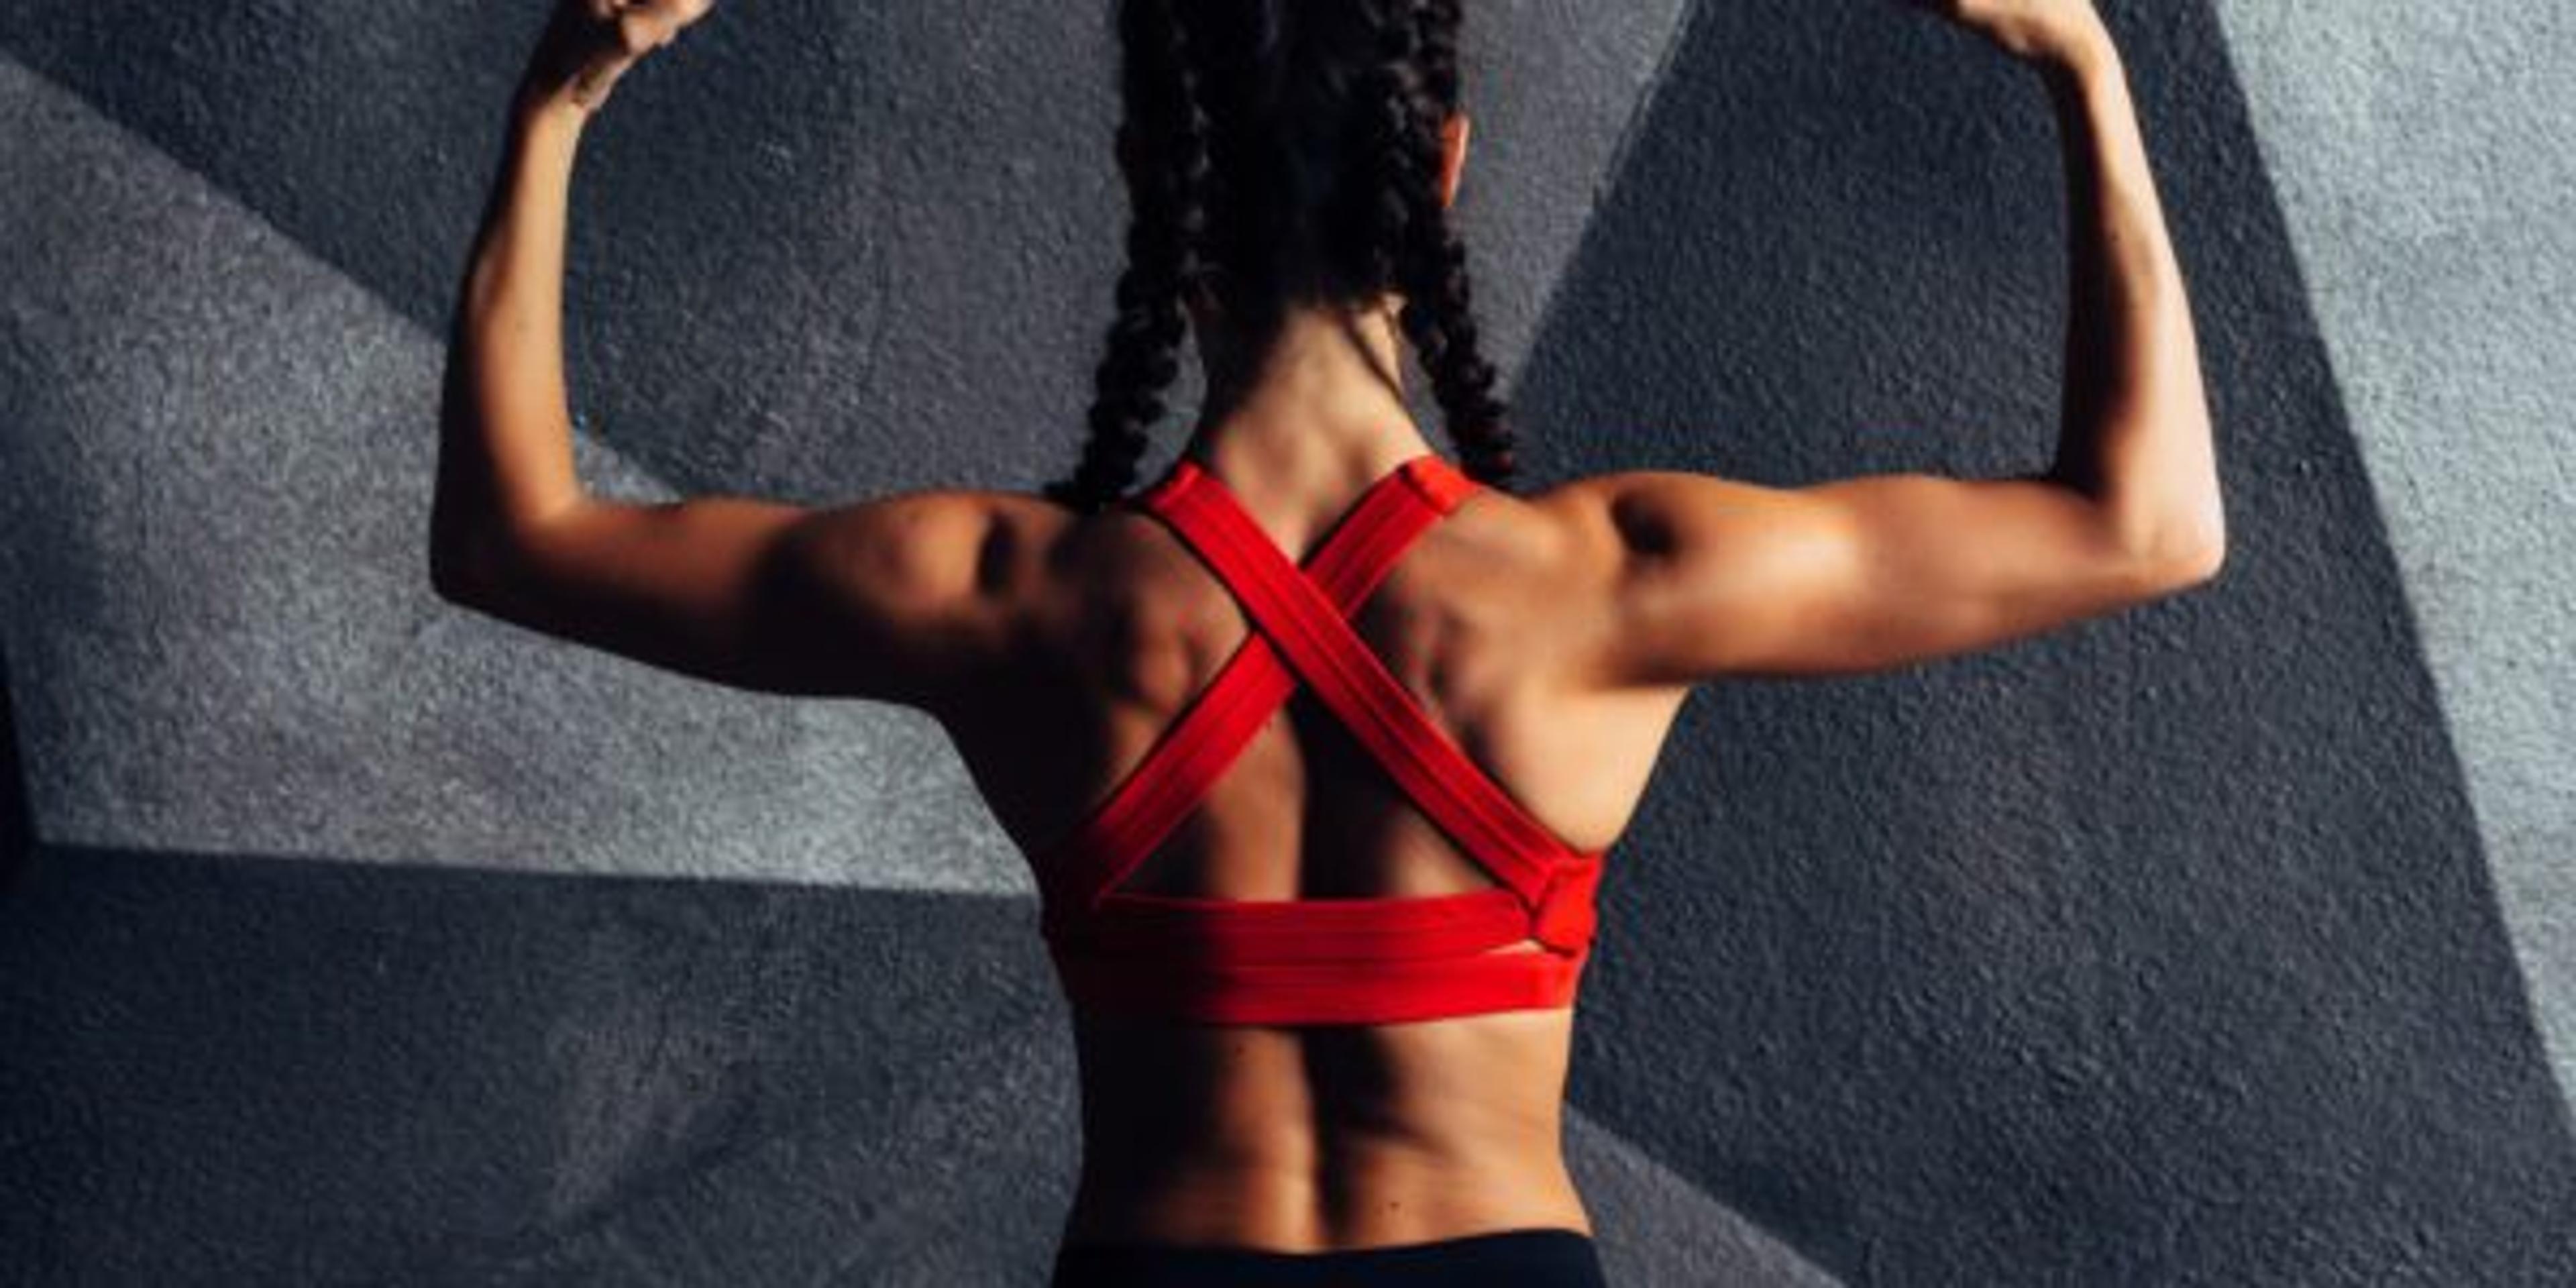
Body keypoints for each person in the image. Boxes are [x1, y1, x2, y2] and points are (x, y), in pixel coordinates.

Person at [431, 0, 2222, 1281]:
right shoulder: (1611, 584)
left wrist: (557, 107)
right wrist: (2085, 67)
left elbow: (516, 540)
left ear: (1153, 176)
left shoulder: (1008, 600)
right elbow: (2151, 525)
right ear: (1442, 164)